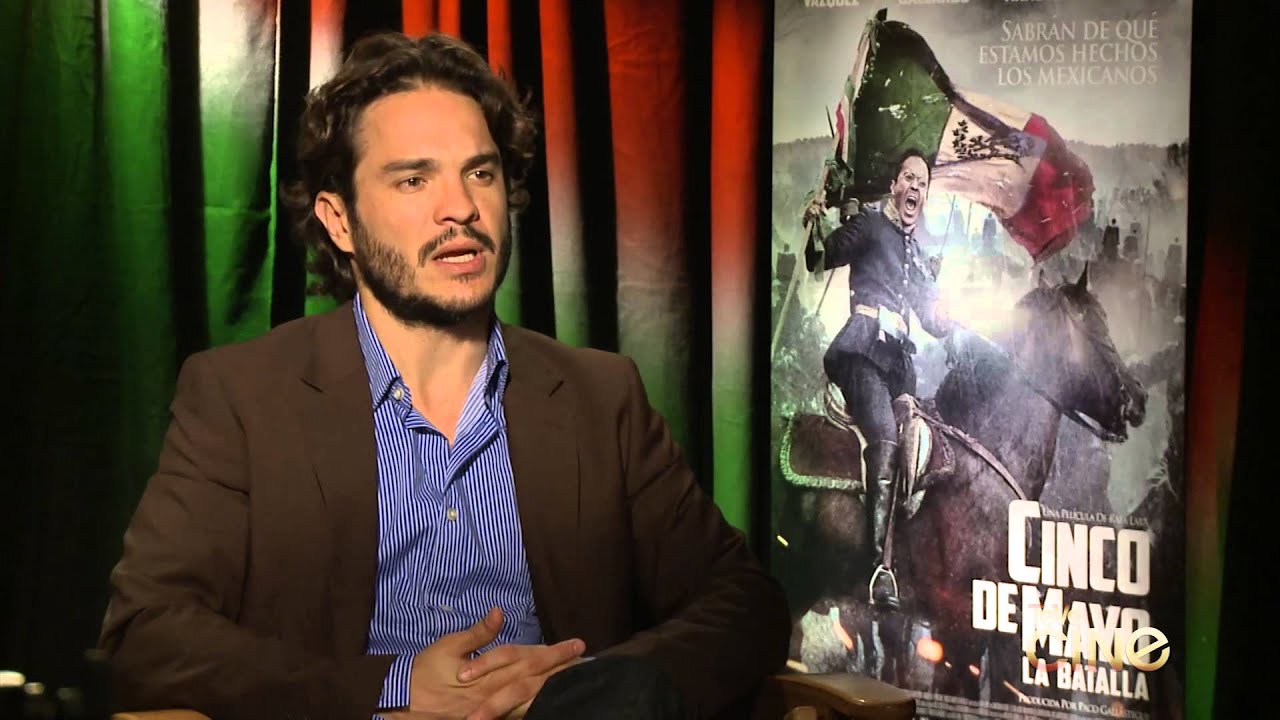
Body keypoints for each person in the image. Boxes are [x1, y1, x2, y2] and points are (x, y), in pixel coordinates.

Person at [98, 31, 788, 720]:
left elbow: (744, 602)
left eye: (480, 173)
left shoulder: (600, 397)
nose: (459, 207)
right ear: (339, 221)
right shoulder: (242, 398)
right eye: (414, 179)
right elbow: (146, 632)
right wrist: (391, 687)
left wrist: (593, 689)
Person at [803, 149, 954, 609]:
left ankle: (907, 552)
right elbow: (821, 256)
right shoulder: (870, 225)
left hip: (898, 366)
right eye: (909, 178)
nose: (915, 188)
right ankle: (878, 569)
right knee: (885, 436)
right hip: (862, 352)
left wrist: (945, 312)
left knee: (922, 442)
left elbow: (933, 321)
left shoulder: (917, 253)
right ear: (894, 186)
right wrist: (815, 223)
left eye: (922, 183)